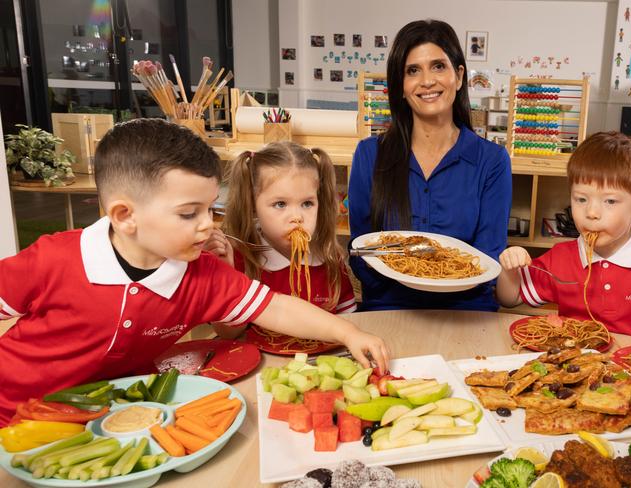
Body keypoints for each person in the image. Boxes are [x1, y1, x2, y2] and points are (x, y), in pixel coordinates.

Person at [0, 119, 389, 426]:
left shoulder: (202, 273)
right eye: (189, 214)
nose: (208, 226)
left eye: (210, 210)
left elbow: (277, 307)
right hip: (10, 414)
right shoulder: (54, 259)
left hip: (111, 416)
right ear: (125, 216)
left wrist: (347, 332)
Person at [348, 19, 511, 311]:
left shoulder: (492, 161)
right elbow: (361, 250)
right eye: (413, 70)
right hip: (389, 309)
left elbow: (489, 255)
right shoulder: (370, 154)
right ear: (399, 86)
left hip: (467, 311)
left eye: (438, 66)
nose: (427, 81)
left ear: (459, 76)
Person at [497, 132, 631, 339]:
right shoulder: (561, 258)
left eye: (610, 201)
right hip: (572, 365)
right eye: (581, 199)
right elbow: (510, 298)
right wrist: (509, 270)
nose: (591, 213)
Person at [205, 142, 357, 340]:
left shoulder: (329, 257)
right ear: (253, 205)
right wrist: (225, 276)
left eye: (307, 203)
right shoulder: (240, 260)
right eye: (280, 204)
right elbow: (227, 334)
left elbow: (351, 321)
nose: (297, 217)